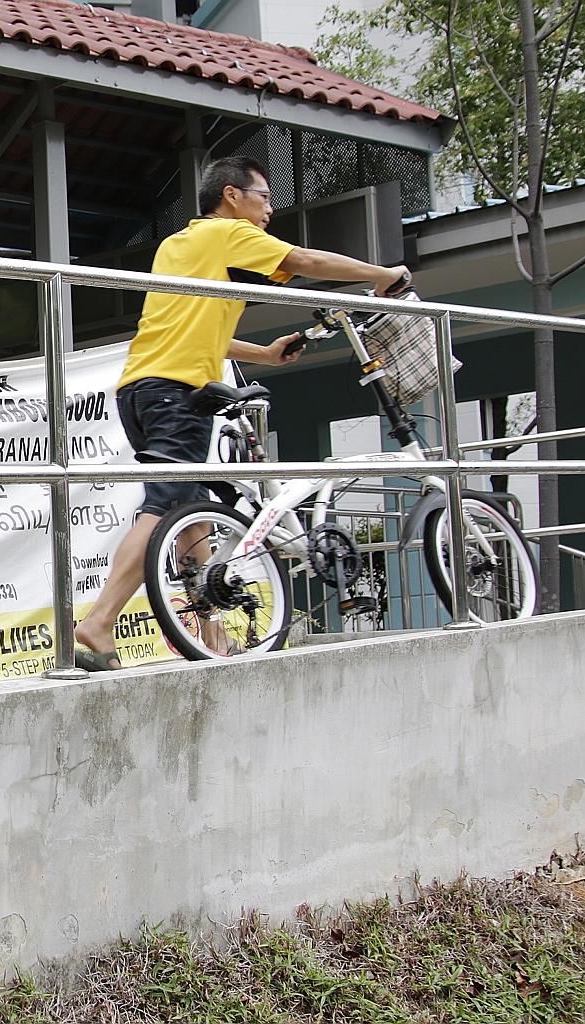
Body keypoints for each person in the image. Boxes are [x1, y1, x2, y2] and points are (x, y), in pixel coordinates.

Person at [73, 155, 411, 671]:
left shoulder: (178, 244)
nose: (270, 210)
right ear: (232, 195)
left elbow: (194, 328)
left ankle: (211, 634)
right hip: (177, 391)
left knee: (190, 512)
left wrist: (265, 355)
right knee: (164, 507)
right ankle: (99, 622)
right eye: (264, 197)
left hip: (140, 390)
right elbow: (307, 260)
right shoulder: (229, 233)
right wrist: (384, 274)